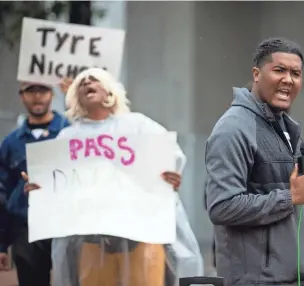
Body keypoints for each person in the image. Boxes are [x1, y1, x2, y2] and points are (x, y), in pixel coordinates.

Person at [22, 67, 185, 286]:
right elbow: (56, 184)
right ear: (75, 96)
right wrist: (40, 189)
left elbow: (169, 158)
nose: (88, 83)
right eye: (81, 82)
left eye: (95, 79)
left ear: (110, 92)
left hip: (141, 239)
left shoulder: (138, 125)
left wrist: (172, 177)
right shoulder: (68, 137)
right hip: (91, 244)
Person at [205, 38, 304, 286]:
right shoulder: (233, 129)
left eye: (296, 73)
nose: (288, 79)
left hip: (300, 279)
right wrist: (290, 197)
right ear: (257, 74)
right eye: (279, 70)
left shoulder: (288, 128)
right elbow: (222, 206)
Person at [0, 81, 69, 285]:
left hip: (66, 225)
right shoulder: (11, 143)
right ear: (21, 96)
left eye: (42, 90)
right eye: (31, 91)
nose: (37, 96)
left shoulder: (71, 134)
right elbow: (2, 193)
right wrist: (2, 244)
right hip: (26, 227)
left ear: (52, 94)